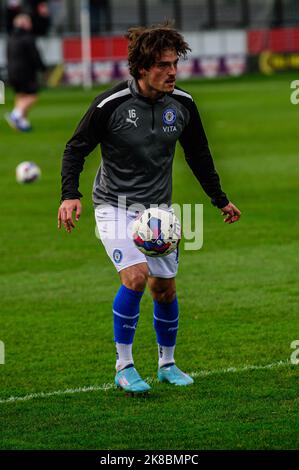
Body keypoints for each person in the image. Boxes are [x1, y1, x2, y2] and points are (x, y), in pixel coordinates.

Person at [58, 22, 241, 394]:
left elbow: (199, 154)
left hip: (158, 213)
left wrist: (219, 199)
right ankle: (124, 366)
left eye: (175, 64)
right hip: (114, 205)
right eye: (162, 65)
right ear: (142, 68)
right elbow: (75, 148)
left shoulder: (183, 105)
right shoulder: (111, 104)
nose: (172, 71)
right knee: (136, 277)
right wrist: (69, 194)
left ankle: (167, 364)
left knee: (164, 289)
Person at [5, 13, 46, 132]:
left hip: (12, 72)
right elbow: (34, 56)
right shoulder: (28, 38)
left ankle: (22, 123)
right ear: (24, 24)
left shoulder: (11, 37)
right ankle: (16, 115)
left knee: (21, 95)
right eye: (29, 22)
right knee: (33, 96)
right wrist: (42, 68)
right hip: (25, 72)